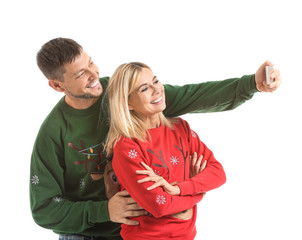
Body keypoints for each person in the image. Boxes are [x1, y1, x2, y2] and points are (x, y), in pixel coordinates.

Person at [30, 37, 281, 240]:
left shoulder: (121, 90)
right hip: (88, 234)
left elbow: (192, 96)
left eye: (91, 63)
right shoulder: (53, 132)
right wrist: (105, 211)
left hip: (138, 230)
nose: (94, 74)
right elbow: (44, 209)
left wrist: (250, 85)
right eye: (80, 74)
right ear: (57, 86)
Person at [105, 62, 227, 239]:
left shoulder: (180, 128)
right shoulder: (127, 146)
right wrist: (198, 193)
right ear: (128, 103)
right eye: (144, 88)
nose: (157, 90)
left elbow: (218, 173)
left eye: (156, 81)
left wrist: (177, 189)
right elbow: (159, 204)